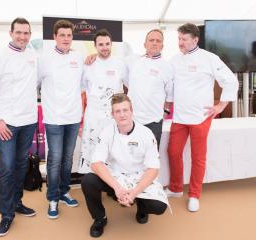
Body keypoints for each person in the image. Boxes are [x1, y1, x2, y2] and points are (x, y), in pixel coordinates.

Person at [165, 23, 238, 212]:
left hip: (201, 117)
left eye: (184, 39)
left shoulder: (210, 58)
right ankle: (175, 188)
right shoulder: (174, 60)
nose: (180, 42)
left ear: (195, 40)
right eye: (179, 39)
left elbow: (230, 80)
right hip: (180, 116)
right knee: (173, 152)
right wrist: (168, 105)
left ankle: (195, 194)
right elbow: (170, 85)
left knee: (198, 158)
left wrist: (220, 106)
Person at [81, 93, 169, 238]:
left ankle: (142, 208)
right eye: (117, 111)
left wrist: (134, 192)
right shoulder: (107, 132)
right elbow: (96, 163)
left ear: (131, 111)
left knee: (159, 206)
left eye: (125, 110)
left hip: (138, 179)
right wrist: (117, 188)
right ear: (112, 114)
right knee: (88, 180)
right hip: (117, 178)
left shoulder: (146, 134)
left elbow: (153, 169)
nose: (122, 115)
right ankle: (99, 219)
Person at [0, 17, 38, 237]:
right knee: (6, 168)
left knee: (21, 165)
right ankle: (6, 214)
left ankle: (17, 203)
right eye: (19, 32)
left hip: (28, 121)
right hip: (6, 123)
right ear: (11, 33)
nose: (23, 37)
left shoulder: (33, 56)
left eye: (26, 33)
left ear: (30, 35)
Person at [38, 19, 83, 219]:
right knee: (54, 159)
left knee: (67, 158)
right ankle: (53, 198)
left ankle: (64, 191)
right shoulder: (44, 59)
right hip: (54, 118)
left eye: (69, 35)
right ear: (54, 37)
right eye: (62, 35)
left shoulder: (79, 58)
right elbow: (34, 84)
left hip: (73, 117)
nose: (66, 38)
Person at [78, 29, 128, 174]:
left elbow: (130, 86)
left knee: (113, 150)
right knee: (92, 150)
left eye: (107, 44)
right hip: (93, 115)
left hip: (113, 116)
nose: (104, 47)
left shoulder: (120, 64)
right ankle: (91, 185)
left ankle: (113, 186)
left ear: (111, 44)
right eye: (101, 44)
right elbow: (82, 90)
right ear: (95, 46)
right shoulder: (88, 64)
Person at [126, 29, 174, 148]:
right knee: (130, 158)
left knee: (151, 160)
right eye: (151, 40)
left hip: (154, 122)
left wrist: (166, 112)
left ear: (162, 46)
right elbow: (111, 60)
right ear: (144, 44)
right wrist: (94, 55)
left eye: (158, 41)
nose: (154, 43)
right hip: (132, 120)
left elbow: (170, 94)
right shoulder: (132, 61)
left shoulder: (167, 67)